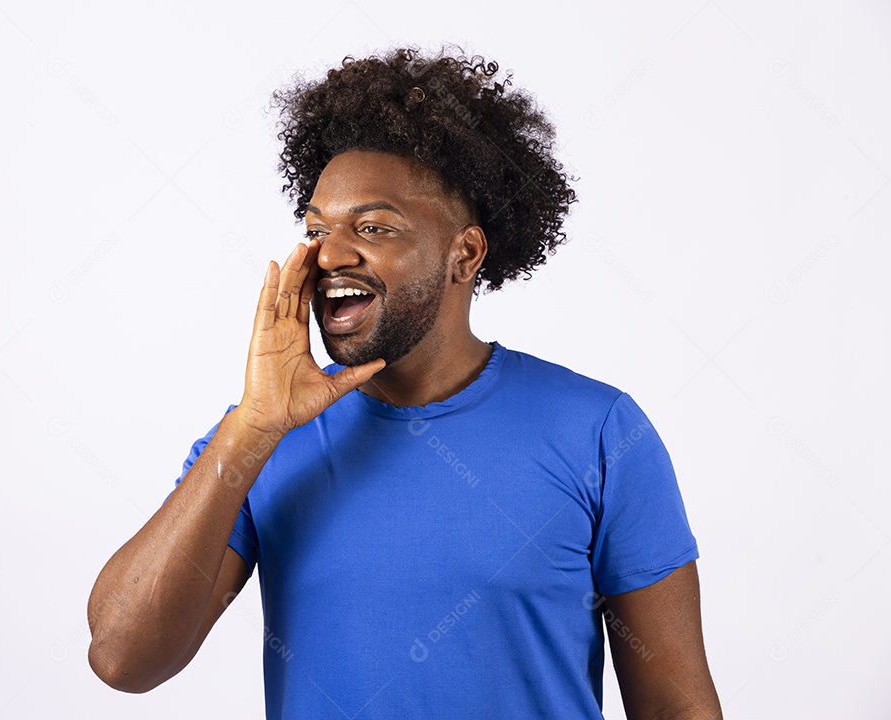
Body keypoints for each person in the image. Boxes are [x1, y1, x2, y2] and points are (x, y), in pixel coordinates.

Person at [87, 47, 721, 718]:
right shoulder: (257, 441)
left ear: (464, 253)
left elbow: (678, 708)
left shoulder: (598, 431)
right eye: (316, 227)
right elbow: (123, 657)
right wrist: (253, 428)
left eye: (373, 227)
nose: (329, 254)